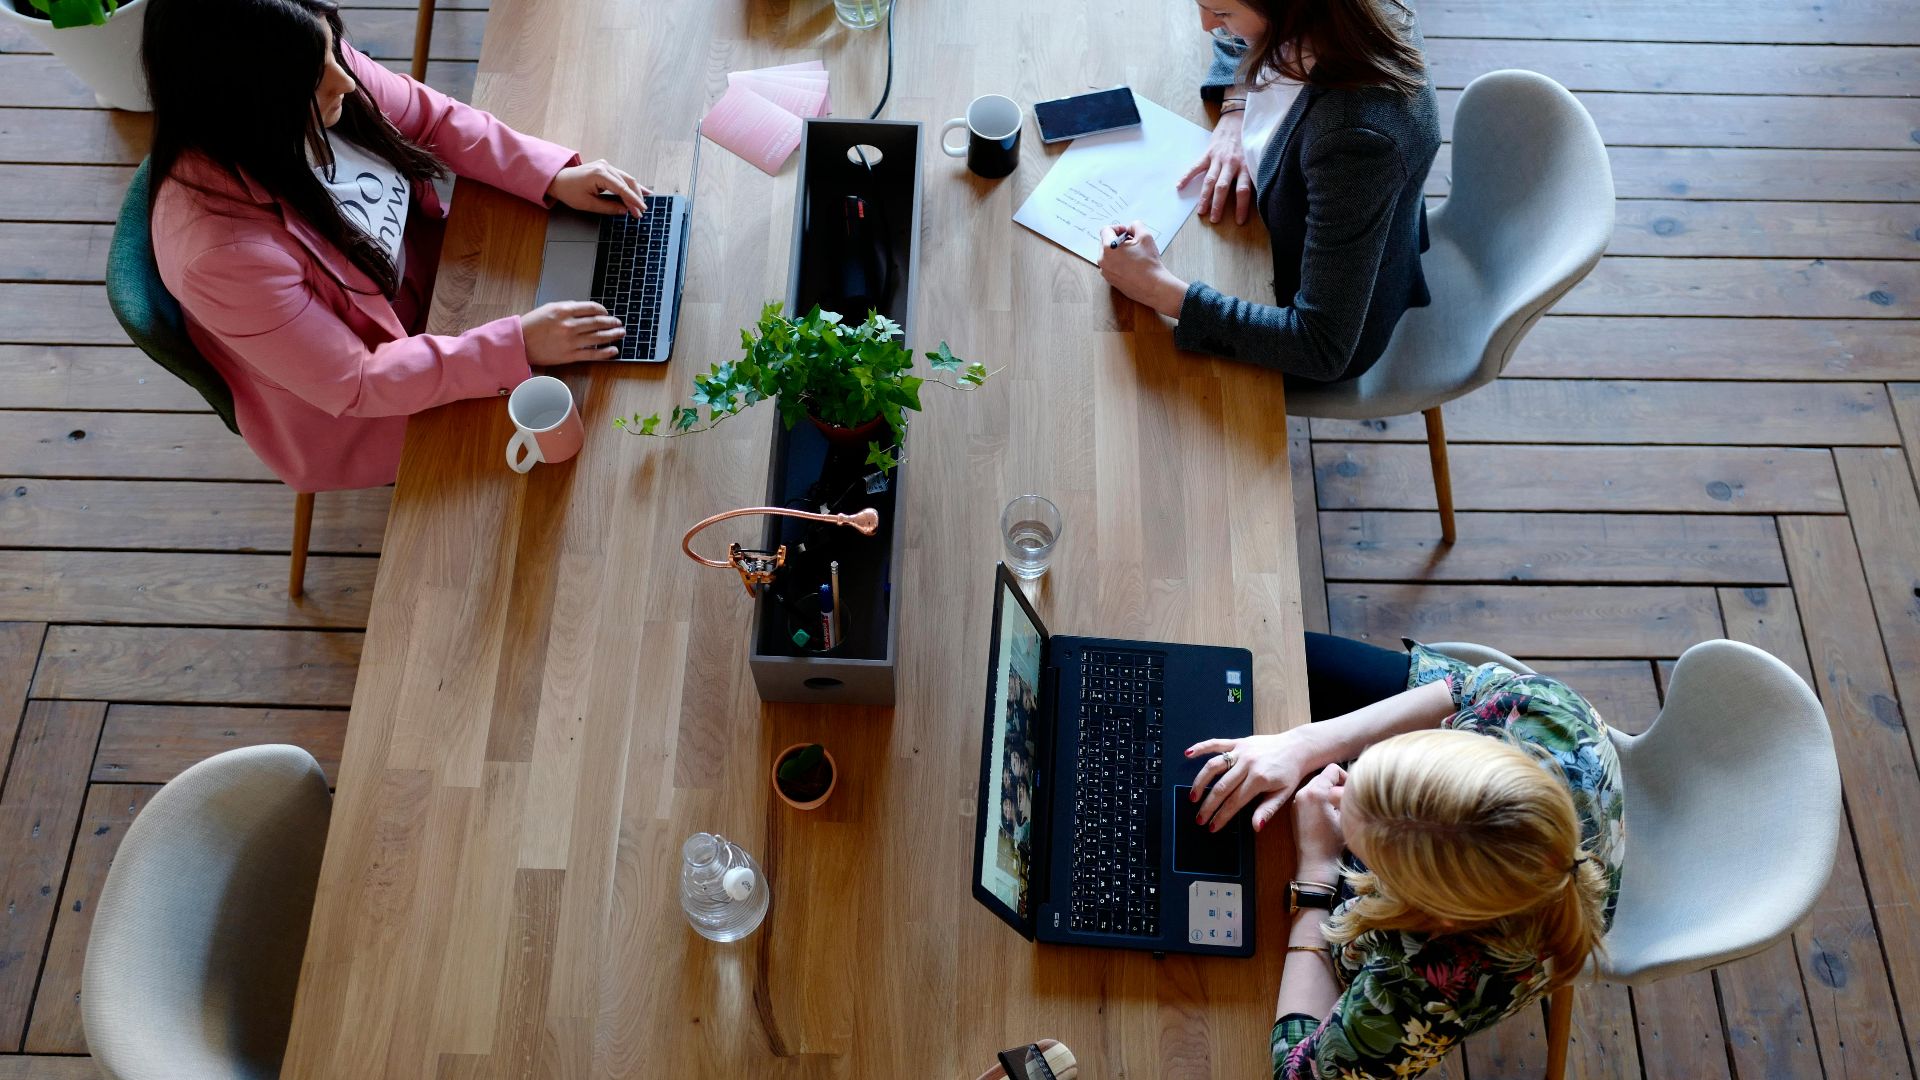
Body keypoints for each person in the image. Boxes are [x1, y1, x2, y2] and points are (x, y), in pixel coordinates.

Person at [143, 0, 652, 492]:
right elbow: (357, 380)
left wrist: (552, 175)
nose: (346, 79)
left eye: (333, 53)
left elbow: (433, 121)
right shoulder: (220, 256)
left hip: (446, 288)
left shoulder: (310, 63)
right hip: (373, 401)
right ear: (245, 101)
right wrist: (516, 344)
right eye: (316, 74)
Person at [1186, 634, 1622, 1079]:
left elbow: (1298, 1074)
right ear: (1462, 744)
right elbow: (1462, 686)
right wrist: (1303, 745)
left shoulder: (1430, 983)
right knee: (1269, 657)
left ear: (1420, 905)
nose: (1337, 787)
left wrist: (1317, 871)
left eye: (1359, 843)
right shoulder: (1542, 710)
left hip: (1456, 949)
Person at [1097, 0, 1440, 385]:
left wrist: (1161, 290)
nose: (1206, 24)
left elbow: (1321, 346)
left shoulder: (1354, 142)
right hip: (1309, 234)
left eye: (1222, 14)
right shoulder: (1334, 15)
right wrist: (1237, 106)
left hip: (1318, 324)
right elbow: (1240, 39)